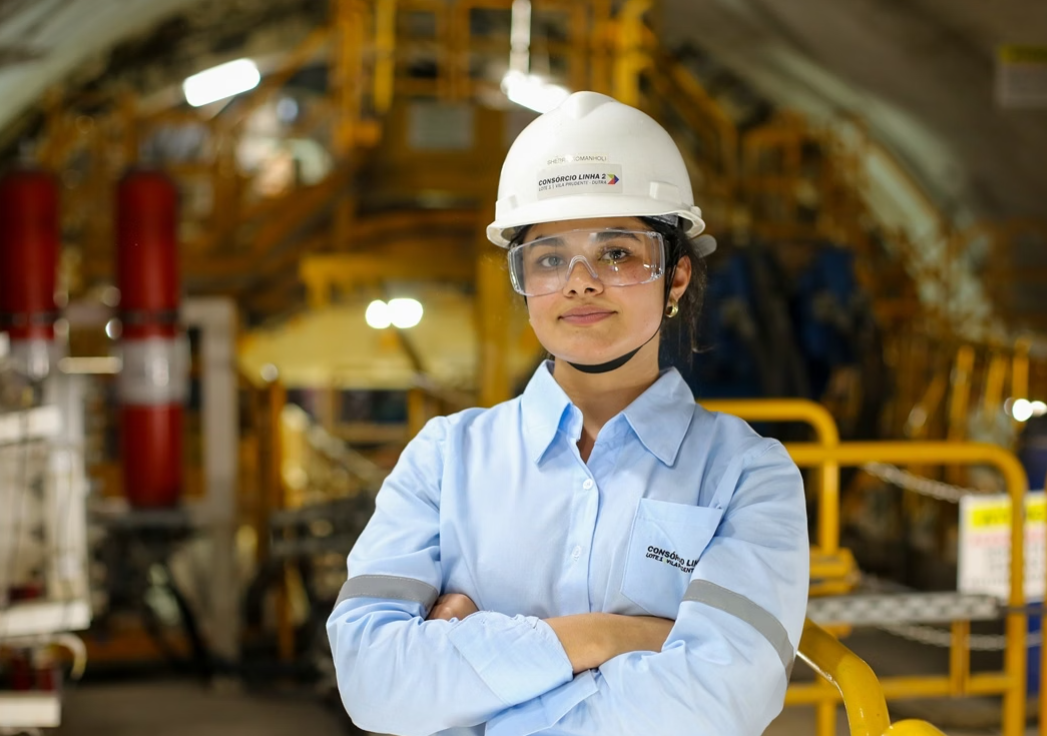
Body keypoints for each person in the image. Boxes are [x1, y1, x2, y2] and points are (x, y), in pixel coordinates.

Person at [327, 91, 809, 736]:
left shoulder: (748, 475)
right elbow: (375, 682)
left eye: (618, 253)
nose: (580, 282)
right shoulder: (445, 457)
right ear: (523, 280)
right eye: (550, 257)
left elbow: (718, 703)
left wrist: (479, 669)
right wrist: (610, 635)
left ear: (677, 278)